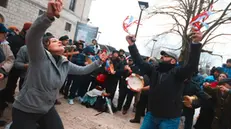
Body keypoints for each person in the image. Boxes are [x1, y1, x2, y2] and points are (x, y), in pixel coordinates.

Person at [10, 1, 107, 129]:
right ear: (46, 46)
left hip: (46, 108)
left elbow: (83, 70)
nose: (60, 42)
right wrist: (48, 17)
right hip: (26, 109)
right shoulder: (39, 56)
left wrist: (99, 61)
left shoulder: (64, 63)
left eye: (60, 41)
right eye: (54, 41)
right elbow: (32, 36)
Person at [125, 30, 202, 129]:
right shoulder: (154, 70)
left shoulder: (178, 73)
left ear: (173, 61)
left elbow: (192, 66)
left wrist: (195, 44)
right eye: (162, 55)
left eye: (165, 56)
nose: (162, 57)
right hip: (152, 115)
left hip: (170, 118)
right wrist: (132, 45)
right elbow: (140, 62)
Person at [3, 22, 32, 103]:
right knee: (11, 83)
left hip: (24, 69)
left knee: (20, 85)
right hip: (13, 66)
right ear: (27, 30)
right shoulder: (14, 39)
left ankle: (12, 97)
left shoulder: (29, 41)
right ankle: (7, 98)